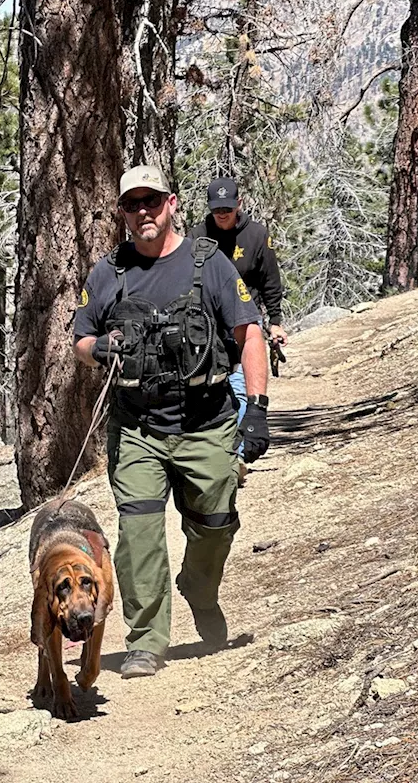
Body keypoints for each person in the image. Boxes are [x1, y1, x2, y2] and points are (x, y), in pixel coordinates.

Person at [71, 165, 271, 679]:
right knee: (139, 531)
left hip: (207, 423)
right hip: (137, 426)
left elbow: (249, 334)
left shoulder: (211, 266)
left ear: (172, 203)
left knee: (215, 520)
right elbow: (81, 342)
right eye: (132, 204)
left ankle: (200, 590)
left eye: (152, 202)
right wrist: (102, 349)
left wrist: (258, 408)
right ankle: (146, 640)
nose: (143, 212)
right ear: (121, 211)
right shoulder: (106, 273)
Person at [188, 177, 286, 446]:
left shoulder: (257, 235)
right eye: (217, 209)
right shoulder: (197, 237)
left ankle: (239, 452)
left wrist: (274, 322)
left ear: (239, 204)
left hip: (245, 323)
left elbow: (270, 281)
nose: (222, 214)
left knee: (242, 389)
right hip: (208, 328)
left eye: (227, 209)